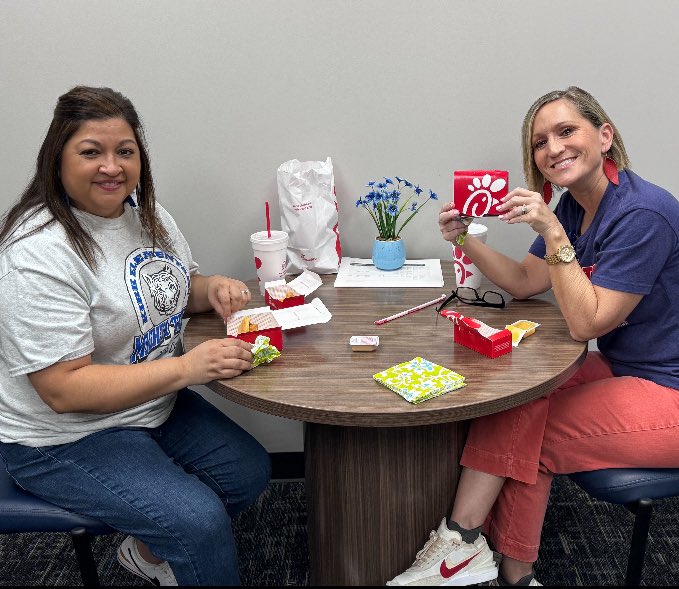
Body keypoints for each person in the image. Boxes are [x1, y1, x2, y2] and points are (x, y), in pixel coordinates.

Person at [388, 85, 679, 587]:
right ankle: (472, 549)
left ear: (604, 136)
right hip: (628, 366)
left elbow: (587, 324)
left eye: (567, 131)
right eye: (541, 142)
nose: (554, 149)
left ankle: (491, 562)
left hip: (668, 387)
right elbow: (525, 283)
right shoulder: (573, 206)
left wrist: (555, 235)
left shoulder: (643, 214)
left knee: (531, 438)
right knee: (515, 398)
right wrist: (463, 239)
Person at [0, 86, 271, 586]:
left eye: (125, 151)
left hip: (149, 402)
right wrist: (189, 369)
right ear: (56, 159)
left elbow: (174, 289)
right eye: (91, 152)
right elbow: (63, 390)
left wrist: (215, 289)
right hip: (65, 438)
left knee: (249, 473)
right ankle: (178, 547)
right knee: (198, 522)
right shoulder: (36, 254)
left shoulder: (144, 214)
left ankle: (146, 555)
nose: (112, 166)